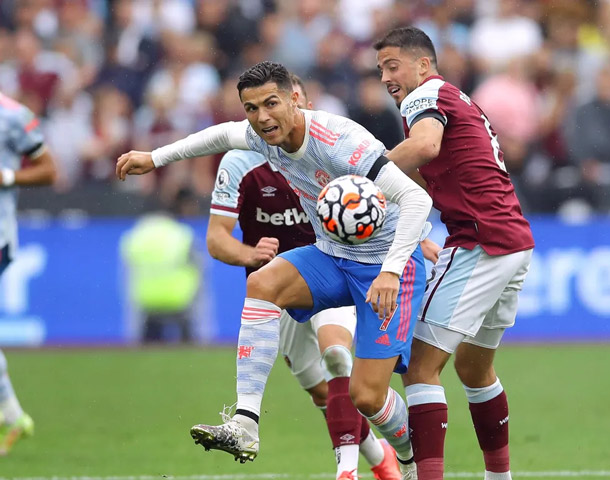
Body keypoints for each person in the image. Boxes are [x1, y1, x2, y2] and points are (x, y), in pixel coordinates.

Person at [117, 61, 434, 480]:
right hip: (332, 254)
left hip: (386, 266)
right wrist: (153, 158)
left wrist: (392, 271)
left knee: (367, 396)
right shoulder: (259, 137)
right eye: (251, 108)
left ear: (295, 99)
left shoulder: (341, 142)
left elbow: (416, 200)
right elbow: (215, 136)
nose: (262, 117)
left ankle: (410, 458)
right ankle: (245, 423)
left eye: (271, 103)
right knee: (262, 282)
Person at [207, 75, 400, 479]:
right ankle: (380, 458)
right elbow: (215, 239)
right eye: (258, 110)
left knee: (336, 355)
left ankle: (346, 471)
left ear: (300, 104)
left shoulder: (330, 149)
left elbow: (382, 202)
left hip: (333, 269)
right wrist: (250, 254)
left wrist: (412, 241)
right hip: (285, 286)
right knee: (323, 391)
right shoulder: (241, 161)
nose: (271, 117)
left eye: (280, 105)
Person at [374, 27, 535, 480]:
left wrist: (362, 177)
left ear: (423, 64)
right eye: (380, 69)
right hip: (513, 241)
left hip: (480, 242)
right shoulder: (453, 99)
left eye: (393, 65)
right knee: (473, 366)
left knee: (420, 367)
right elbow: (431, 174)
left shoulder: (424, 96)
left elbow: (425, 148)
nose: (386, 77)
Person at [0, 91, 57, 455]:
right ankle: (13, 414)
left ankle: (12, 414)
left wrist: (6, 175)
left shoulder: (12, 115)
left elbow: (49, 170)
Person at [120, 188, 202, 344]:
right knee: (189, 351)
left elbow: (127, 272)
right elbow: (199, 271)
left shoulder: (134, 236)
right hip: (179, 299)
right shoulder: (182, 234)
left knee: (149, 349)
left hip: (147, 300)